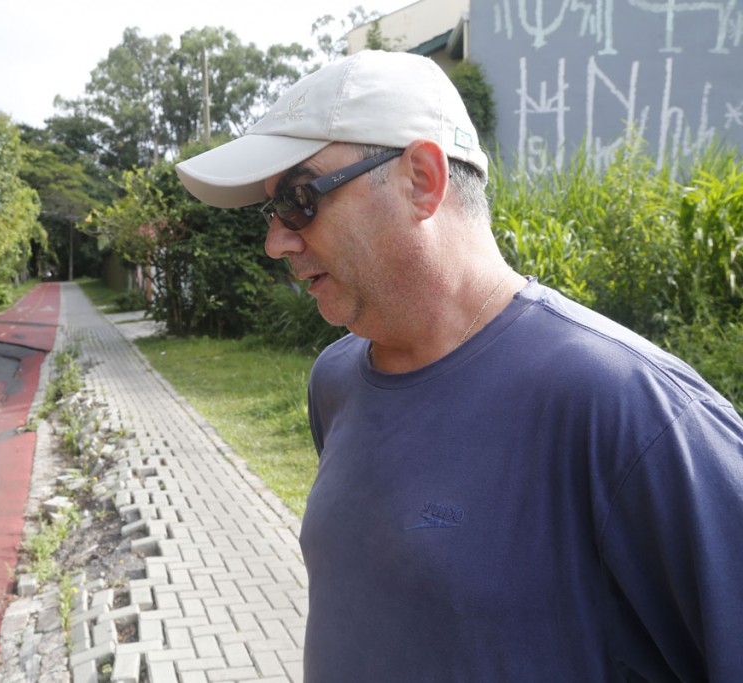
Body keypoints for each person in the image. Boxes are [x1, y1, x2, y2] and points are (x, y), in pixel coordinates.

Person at [175, 50, 743, 682]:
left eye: (299, 199)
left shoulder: (625, 406)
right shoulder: (335, 383)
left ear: (422, 178)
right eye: (270, 212)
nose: (276, 241)